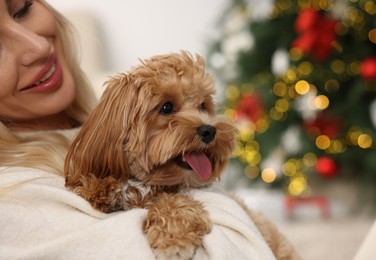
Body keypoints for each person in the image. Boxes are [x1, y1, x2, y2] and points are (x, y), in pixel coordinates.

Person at [0, 1, 293, 259]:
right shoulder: (13, 197)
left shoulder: (96, 126)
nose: (37, 47)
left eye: (22, 8)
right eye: (167, 109)